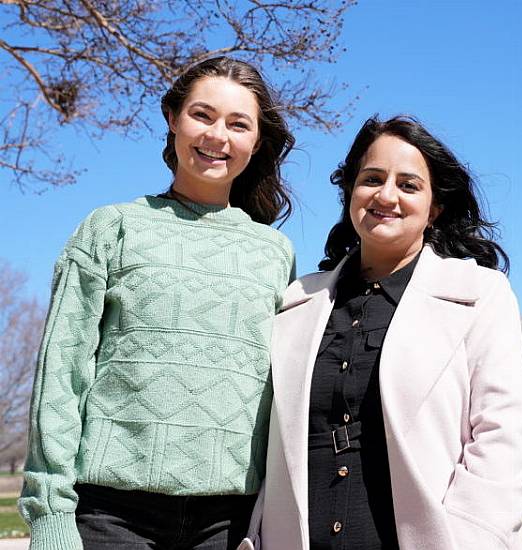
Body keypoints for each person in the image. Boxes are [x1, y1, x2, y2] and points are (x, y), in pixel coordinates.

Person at [18, 56, 296, 550]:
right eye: (202, 115)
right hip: (111, 516)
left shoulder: (275, 253)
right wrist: (50, 516)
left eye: (238, 124)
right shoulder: (111, 227)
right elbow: (62, 373)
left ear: (256, 141)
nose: (217, 136)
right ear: (173, 119)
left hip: (228, 524)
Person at [243, 115, 522, 550]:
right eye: (372, 179)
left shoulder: (480, 295)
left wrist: (469, 538)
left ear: (434, 207)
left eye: (409, 185)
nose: (386, 195)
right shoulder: (295, 302)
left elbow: (501, 437)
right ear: (350, 193)